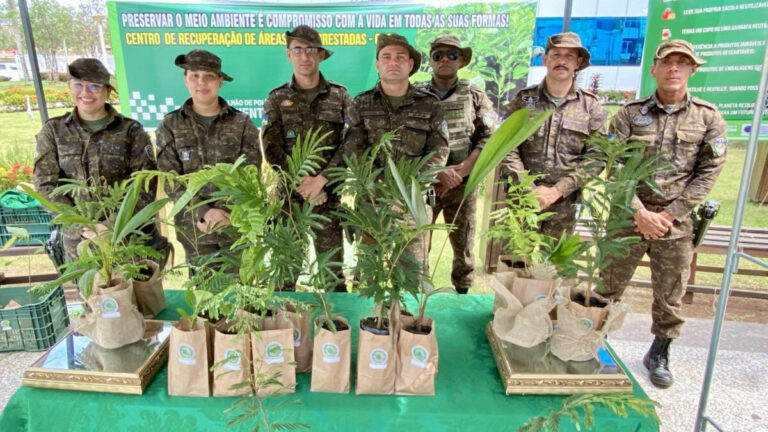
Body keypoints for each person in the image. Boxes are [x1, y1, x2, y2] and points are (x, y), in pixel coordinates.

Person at [600, 39, 727, 389]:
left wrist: (668, 216)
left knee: (670, 293)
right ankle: (597, 345)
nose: (674, 68)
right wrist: (639, 211)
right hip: (628, 217)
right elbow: (614, 164)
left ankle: (659, 353)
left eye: (682, 62)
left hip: (676, 223)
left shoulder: (708, 117)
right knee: (608, 285)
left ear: (692, 70)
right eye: (667, 62)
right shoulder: (629, 114)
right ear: (654, 69)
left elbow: (708, 174)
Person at [34, 58, 160, 260]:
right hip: (80, 244)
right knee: (90, 291)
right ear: (69, 87)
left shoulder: (131, 130)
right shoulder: (53, 131)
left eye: (94, 86)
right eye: (78, 85)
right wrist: (82, 226)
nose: (85, 93)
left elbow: (144, 183)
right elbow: (45, 185)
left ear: (107, 91)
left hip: (129, 240)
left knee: (135, 290)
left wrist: (111, 226)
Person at [345, 33, 449, 269]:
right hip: (372, 202)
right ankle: (372, 309)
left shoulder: (430, 104)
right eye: (387, 57)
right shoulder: (360, 104)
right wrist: (383, 188)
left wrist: (407, 191)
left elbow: (439, 151)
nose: (393, 62)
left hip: (413, 205)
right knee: (369, 273)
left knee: (412, 273)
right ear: (377, 64)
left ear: (410, 64)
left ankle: (407, 310)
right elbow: (353, 151)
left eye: (400, 57)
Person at [262, 25, 352, 291]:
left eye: (310, 49)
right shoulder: (277, 98)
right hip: (289, 198)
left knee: (332, 274)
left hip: (329, 198)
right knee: (285, 273)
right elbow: (272, 148)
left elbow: (352, 142)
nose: (304, 56)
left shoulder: (340, 96)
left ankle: (336, 331)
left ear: (321, 55)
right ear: (288, 55)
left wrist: (321, 181)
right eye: (297, 50)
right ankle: (283, 330)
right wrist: (303, 182)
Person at [156, 49, 261, 268]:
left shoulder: (241, 124)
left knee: (241, 292)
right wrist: (203, 211)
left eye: (209, 76)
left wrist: (225, 211)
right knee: (204, 292)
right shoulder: (171, 125)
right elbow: (170, 178)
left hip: (235, 224)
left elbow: (251, 172)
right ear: (186, 80)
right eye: (195, 75)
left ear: (220, 81)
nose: (201, 83)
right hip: (194, 227)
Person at [501, 32, 608, 238]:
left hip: (565, 205)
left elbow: (597, 157)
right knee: (516, 265)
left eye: (569, 56)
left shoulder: (591, 107)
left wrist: (557, 190)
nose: (562, 61)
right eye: (556, 54)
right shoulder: (523, 100)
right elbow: (506, 147)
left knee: (554, 268)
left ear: (578, 63)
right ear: (545, 60)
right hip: (523, 201)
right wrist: (528, 187)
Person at [413, 35, 496, 294]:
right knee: (418, 246)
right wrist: (435, 173)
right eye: (438, 55)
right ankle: (419, 297)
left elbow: (489, 135)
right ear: (431, 61)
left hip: (463, 183)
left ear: (461, 60)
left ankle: (462, 295)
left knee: (464, 246)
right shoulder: (417, 96)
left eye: (452, 54)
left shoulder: (474, 95)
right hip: (428, 184)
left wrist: (466, 168)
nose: (445, 60)